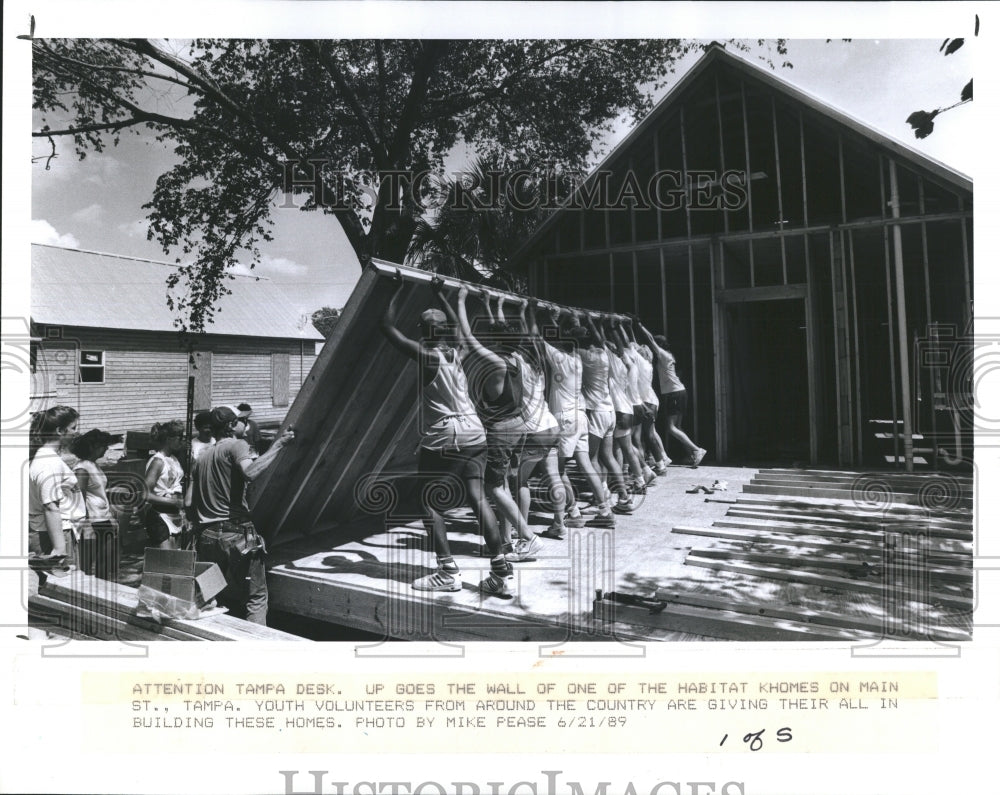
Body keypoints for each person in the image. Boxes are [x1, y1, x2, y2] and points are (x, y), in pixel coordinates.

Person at [379, 272, 510, 594]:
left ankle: (447, 572)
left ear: (423, 331)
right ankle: (499, 573)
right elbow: (454, 327)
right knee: (478, 499)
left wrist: (396, 290)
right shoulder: (460, 351)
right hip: (475, 432)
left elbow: (387, 328)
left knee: (430, 503)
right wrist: (441, 295)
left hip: (446, 436)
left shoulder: (427, 355)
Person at [455, 286, 545, 568]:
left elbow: (468, 338)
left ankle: (528, 536)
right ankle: (507, 541)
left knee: (493, 487)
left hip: (502, 429)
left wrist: (459, 302)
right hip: (517, 425)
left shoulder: (496, 360)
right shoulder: (517, 357)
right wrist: (494, 306)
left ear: (497, 341)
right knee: (504, 484)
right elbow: (502, 331)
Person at [187, 405, 294, 624]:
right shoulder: (237, 445)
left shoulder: (202, 458)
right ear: (230, 426)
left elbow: (189, 502)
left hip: (207, 538)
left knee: (207, 597)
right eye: (241, 421)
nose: (245, 425)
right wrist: (280, 444)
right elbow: (250, 472)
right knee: (256, 597)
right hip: (236, 534)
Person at [530, 301, 616, 536]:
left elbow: (537, 339)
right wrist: (556, 320)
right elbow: (561, 338)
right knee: (586, 465)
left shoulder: (559, 358)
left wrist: (534, 315)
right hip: (580, 417)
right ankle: (605, 511)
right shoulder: (579, 359)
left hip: (565, 418)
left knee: (556, 470)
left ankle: (568, 515)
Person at [579, 312, 634, 517]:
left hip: (596, 412)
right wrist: (594, 324)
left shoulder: (584, 355)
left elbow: (567, 346)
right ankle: (624, 496)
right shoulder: (603, 354)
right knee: (608, 456)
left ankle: (600, 496)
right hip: (609, 410)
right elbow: (602, 341)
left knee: (591, 457)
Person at [636, 321, 708, 466]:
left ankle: (696, 450)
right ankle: (692, 455)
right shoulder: (668, 354)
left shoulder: (663, 354)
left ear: (659, 346)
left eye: (654, 346)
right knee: (678, 427)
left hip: (674, 393)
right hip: (678, 392)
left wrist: (639, 325)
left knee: (671, 428)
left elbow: (650, 339)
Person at [28, 405, 84, 572]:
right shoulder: (49, 463)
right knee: (62, 592)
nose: (76, 432)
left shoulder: (48, 458)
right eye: (73, 428)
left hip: (54, 532)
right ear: (60, 430)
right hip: (53, 536)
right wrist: (59, 550)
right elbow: (50, 506)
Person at [70, 429, 118, 580]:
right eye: (103, 445)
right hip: (92, 523)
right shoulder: (82, 469)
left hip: (104, 520)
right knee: (86, 567)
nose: (106, 449)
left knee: (104, 565)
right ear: (93, 447)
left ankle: (102, 594)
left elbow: (99, 492)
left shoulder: (94, 465)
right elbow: (79, 500)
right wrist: (86, 526)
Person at [144, 420, 186, 550]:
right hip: (160, 516)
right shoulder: (158, 461)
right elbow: (145, 494)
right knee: (166, 562)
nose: (182, 441)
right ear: (169, 439)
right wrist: (172, 502)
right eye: (180, 438)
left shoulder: (173, 458)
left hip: (175, 515)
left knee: (177, 559)